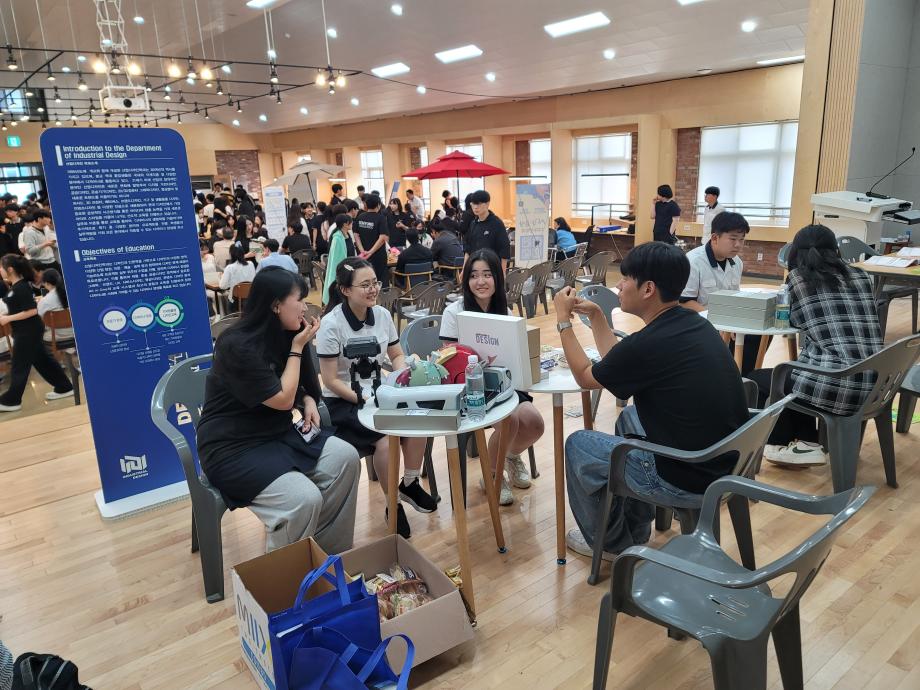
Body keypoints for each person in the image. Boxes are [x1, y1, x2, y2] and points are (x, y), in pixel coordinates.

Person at [553, 241, 749, 559]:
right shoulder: (694, 324)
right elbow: (619, 364)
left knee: (578, 445)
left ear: (648, 289)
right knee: (629, 418)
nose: (619, 285)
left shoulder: (648, 343)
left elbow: (586, 378)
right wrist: (599, 317)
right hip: (723, 461)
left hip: (688, 476)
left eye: (625, 278)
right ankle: (636, 528)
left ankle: (611, 544)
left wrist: (563, 322)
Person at [196, 267, 360, 553]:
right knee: (304, 499)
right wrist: (297, 347)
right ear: (275, 305)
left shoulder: (288, 332)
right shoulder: (235, 345)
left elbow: (304, 386)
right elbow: (283, 399)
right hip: (232, 447)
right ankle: (285, 572)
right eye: (299, 300)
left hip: (277, 433)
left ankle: (325, 554)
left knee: (346, 457)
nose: (305, 307)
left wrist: (308, 399)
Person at [316, 258, 437, 538]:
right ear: (345, 290)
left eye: (375, 283)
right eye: (365, 285)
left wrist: (401, 377)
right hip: (344, 401)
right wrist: (364, 398)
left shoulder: (381, 315)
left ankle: (409, 483)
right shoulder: (331, 324)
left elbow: (396, 354)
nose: (373, 289)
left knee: (418, 419)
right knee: (386, 439)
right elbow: (331, 380)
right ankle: (392, 504)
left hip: (381, 392)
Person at [749, 224, 884, 467]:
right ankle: (807, 443)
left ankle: (779, 444)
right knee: (795, 373)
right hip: (875, 383)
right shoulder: (863, 276)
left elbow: (789, 321)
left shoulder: (798, 279)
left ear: (795, 252)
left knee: (763, 379)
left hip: (837, 384)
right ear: (836, 250)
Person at [439, 249, 545, 504]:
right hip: (468, 389)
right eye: (474, 275)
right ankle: (492, 475)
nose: (481, 281)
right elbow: (448, 359)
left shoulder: (505, 311)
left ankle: (510, 456)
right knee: (511, 421)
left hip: (504, 384)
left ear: (497, 277)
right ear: (466, 280)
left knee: (535, 424)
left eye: (487, 274)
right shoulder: (454, 312)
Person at [680, 211, 760, 374]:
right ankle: (725, 375)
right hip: (698, 322)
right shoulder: (693, 261)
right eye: (733, 239)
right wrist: (720, 321)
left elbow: (734, 297)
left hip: (725, 321)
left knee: (756, 333)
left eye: (741, 239)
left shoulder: (737, 262)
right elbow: (685, 302)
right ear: (715, 238)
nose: (738, 245)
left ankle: (744, 378)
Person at [0, 254, 74, 411]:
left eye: (1, 267)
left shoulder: (21, 287)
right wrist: (8, 315)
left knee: (19, 365)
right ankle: (64, 386)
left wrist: (8, 318)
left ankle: (12, 400)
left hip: (28, 331)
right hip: (26, 330)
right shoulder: (17, 287)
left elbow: (32, 310)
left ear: (10, 269)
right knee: (42, 361)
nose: (0, 270)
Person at [463, 190, 510, 273]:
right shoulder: (473, 224)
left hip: (492, 269)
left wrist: (502, 273)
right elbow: (468, 248)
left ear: (487, 204)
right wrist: (464, 269)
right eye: (473, 204)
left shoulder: (496, 223)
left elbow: (504, 249)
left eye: (479, 204)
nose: (475, 207)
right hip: (475, 268)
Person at [354, 194, 390, 286]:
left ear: (366, 204)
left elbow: (356, 235)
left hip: (363, 256)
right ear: (378, 205)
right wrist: (370, 252)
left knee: (365, 280)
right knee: (380, 280)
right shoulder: (381, 218)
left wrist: (362, 251)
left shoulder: (360, 217)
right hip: (378, 255)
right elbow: (382, 238)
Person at [322, 213, 357, 305]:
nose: (352, 224)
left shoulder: (348, 234)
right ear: (345, 224)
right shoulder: (337, 238)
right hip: (343, 269)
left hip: (350, 267)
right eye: (351, 222)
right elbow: (336, 259)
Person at [37, 268, 74, 343]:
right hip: (75, 331)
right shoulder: (73, 294)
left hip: (56, 335)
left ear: (47, 283)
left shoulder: (44, 301)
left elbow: (41, 320)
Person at [220, 243, 256, 308]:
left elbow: (222, 286)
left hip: (235, 300)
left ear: (231, 254)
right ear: (243, 253)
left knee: (225, 298)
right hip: (250, 299)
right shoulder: (251, 264)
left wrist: (221, 277)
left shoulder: (230, 267)